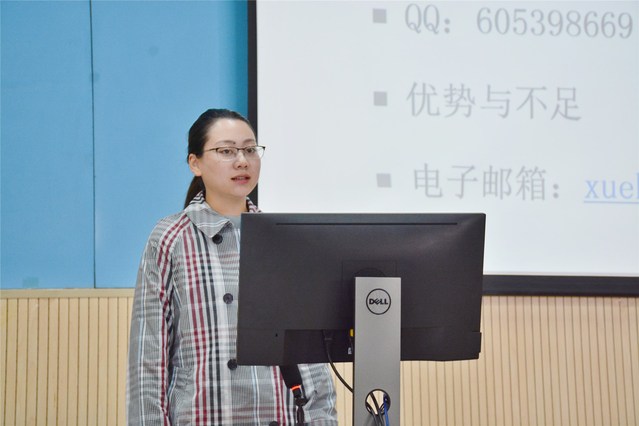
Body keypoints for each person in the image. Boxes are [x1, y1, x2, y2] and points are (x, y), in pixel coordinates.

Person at [127, 109, 338, 425]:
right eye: (226, 151)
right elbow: (148, 359)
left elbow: (310, 362)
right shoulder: (171, 238)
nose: (242, 161)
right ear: (195, 163)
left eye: (250, 149)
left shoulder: (281, 239)